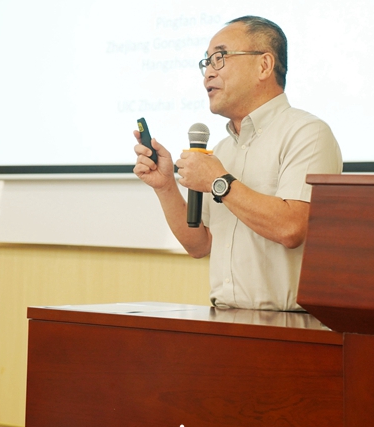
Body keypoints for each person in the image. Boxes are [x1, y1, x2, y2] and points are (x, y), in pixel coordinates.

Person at [133, 16, 342, 311]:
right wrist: (165, 186)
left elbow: (291, 228)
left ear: (264, 65)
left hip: (288, 324)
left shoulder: (307, 133)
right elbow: (200, 245)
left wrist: (219, 182)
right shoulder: (222, 150)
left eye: (220, 58)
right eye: (206, 62)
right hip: (224, 317)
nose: (208, 73)